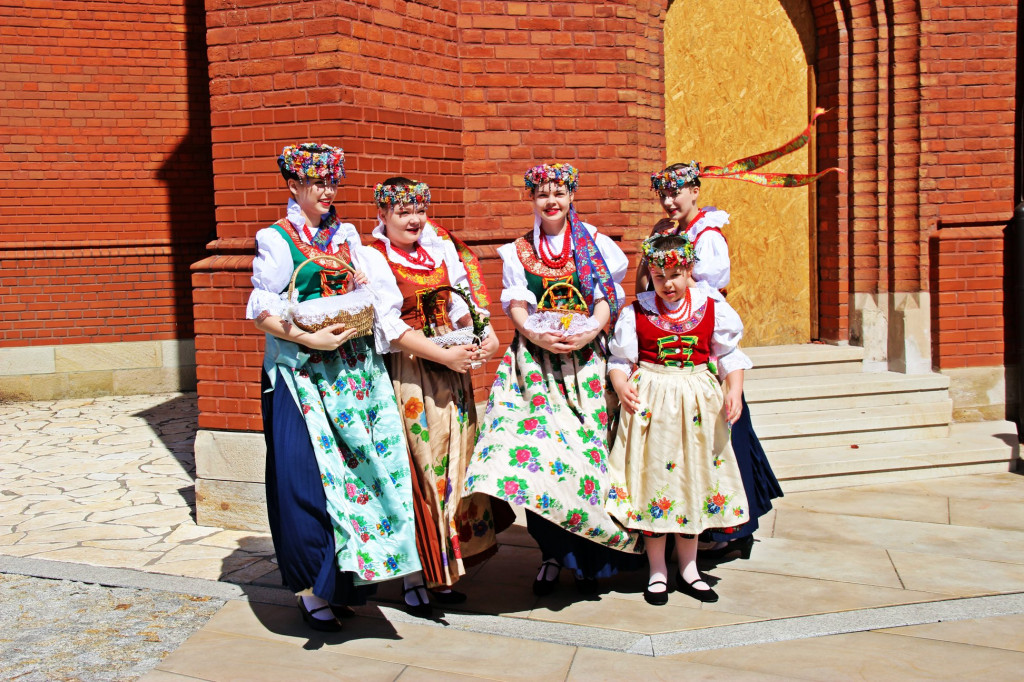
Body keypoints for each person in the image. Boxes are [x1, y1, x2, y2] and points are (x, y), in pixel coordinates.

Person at [637, 110, 842, 564]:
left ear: (695, 190)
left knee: (725, 431)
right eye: (664, 194)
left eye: (678, 192)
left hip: (699, 342)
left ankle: (734, 524)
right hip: (667, 344)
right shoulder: (666, 231)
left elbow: (704, 294)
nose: (670, 201)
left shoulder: (707, 233)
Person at [246, 143, 420, 632]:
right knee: (306, 481)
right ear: (293, 185)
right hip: (301, 375)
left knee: (358, 478)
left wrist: (364, 285)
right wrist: (307, 336)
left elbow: (370, 297)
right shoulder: (276, 239)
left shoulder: (346, 235)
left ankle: (343, 583)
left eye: (332, 182)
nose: (326, 191)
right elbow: (262, 308)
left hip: (353, 374)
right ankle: (310, 586)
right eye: (317, 182)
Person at [462, 163, 641, 596]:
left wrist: (590, 330)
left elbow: (605, 297)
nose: (552, 201)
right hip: (536, 366)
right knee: (538, 456)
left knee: (585, 458)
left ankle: (588, 557)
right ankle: (549, 553)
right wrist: (533, 331)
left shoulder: (595, 244)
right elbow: (518, 304)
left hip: (586, 367)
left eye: (559, 193)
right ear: (532, 199)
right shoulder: (519, 249)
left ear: (571, 195)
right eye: (542, 194)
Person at [368, 177, 510, 616]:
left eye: (419, 211)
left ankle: (444, 569)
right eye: (402, 212)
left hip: (452, 372)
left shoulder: (440, 249)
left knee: (455, 466)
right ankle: (415, 573)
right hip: (411, 373)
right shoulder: (375, 258)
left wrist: (484, 340)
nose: (413, 219)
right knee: (419, 467)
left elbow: (463, 306)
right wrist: (443, 356)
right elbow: (389, 327)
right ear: (383, 216)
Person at [606, 233, 752, 604]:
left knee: (693, 479)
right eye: (658, 276)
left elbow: (730, 354)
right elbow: (620, 361)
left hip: (698, 405)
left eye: (675, 274)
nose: (667, 284)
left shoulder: (711, 308)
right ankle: (657, 570)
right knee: (656, 479)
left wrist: (733, 389)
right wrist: (621, 384)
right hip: (652, 402)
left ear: (689, 270)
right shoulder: (635, 311)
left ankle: (689, 568)